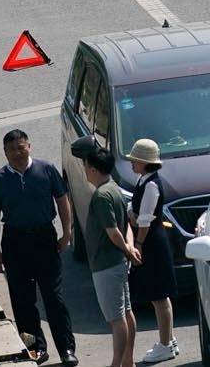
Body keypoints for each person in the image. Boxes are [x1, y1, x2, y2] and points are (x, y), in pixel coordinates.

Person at [0, 130, 77, 367]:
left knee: (53, 297)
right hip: (14, 243)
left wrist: (67, 233)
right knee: (22, 301)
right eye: (11, 150)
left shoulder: (46, 169)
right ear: (5, 152)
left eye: (20, 147)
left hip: (45, 238)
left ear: (29, 146)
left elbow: (62, 199)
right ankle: (35, 349)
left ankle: (66, 348)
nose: (16, 153)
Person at [82, 144, 141, 367]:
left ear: (95, 169)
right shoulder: (115, 188)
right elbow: (126, 225)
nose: (85, 170)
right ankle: (128, 361)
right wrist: (130, 248)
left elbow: (113, 231)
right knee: (126, 313)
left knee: (117, 320)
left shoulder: (101, 195)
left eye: (86, 167)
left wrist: (128, 250)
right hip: (118, 262)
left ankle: (117, 363)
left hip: (107, 264)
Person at [124, 140, 180, 366]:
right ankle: (169, 339)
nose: (131, 164)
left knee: (159, 296)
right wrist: (133, 214)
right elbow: (135, 210)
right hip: (151, 240)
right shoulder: (143, 181)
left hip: (152, 243)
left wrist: (137, 243)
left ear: (145, 162)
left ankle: (165, 345)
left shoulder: (151, 185)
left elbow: (145, 219)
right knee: (159, 296)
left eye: (134, 160)